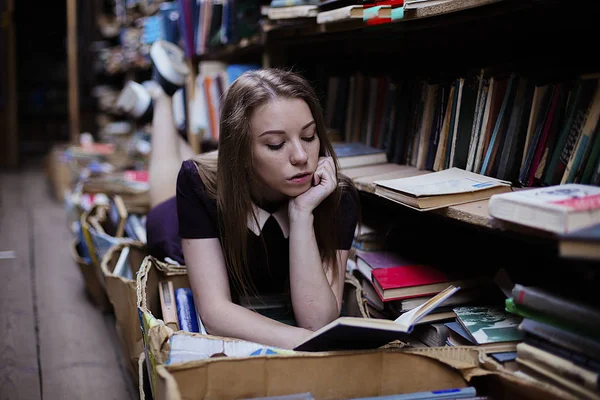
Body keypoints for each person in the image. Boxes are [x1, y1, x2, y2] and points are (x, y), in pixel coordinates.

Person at [145, 67, 360, 350]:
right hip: (177, 228)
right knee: (177, 177)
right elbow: (215, 313)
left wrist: (301, 213)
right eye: (276, 144)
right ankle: (162, 96)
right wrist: (308, 343)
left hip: (238, 179)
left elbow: (319, 320)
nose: (300, 157)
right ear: (242, 151)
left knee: (206, 165)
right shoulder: (197, 185)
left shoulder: (336, 195)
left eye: (309, 137)